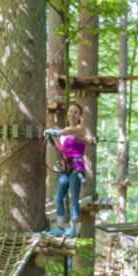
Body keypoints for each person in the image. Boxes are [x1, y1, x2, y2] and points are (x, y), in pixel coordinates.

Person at [44, 102, 92, 238]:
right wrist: (53, 140)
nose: (72, 114)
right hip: (66, 167)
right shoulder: (64, 131)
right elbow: (62, 149)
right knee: (58, 197)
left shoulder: (80, 129)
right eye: (70, 111)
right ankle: (60, 226)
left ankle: (73, 226)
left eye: (75, 112)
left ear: (80, 116)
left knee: (74, 198)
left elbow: (69, 132)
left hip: (77, 167)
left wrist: (56, 132)